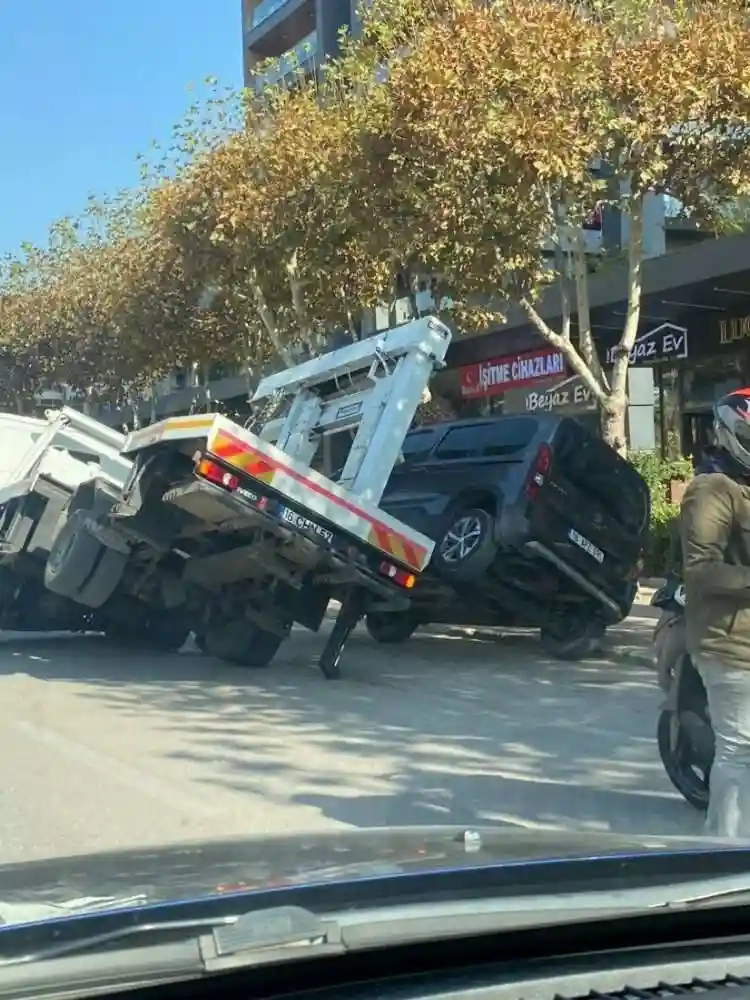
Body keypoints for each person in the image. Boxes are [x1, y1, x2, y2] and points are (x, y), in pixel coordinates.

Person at [681, 389, 750, 838]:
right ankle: (724, 852)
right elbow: (701, 569)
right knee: (740, 749)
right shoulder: (711, 489)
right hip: (731, 645)